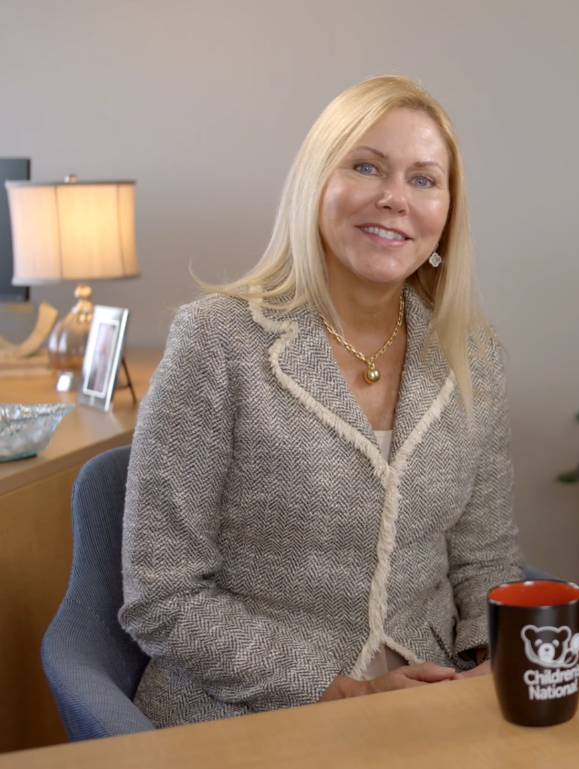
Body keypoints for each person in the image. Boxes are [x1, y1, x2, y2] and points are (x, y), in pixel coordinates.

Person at [119, 76, 525, 727]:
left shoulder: (472, 358)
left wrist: (488, 661)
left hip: (433, 700)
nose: (395, 198)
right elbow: (161, 595)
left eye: (424, 179)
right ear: (316, 185)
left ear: (447, 212)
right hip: (246, 708)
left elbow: (487, 558)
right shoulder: (217, 341)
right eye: (366, 166)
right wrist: (342, 691)